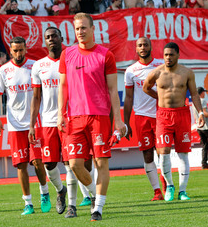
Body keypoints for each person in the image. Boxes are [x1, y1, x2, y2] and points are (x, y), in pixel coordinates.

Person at [57, 13, 127, 221]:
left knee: (100, 163)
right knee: (75, 163)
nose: (80, 32)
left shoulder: (106, 55)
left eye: (84, 28)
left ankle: (98, 208)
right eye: (77, 29)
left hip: (99, 116)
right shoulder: (66, 54)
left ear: (93, 29)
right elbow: (63, 86)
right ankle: (96, 196)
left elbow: (113, 90)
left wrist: (119, 119)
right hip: (74, 118)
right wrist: (61, 113)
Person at [0, 36, 50, 215]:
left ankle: (45, 193)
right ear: (10, 51)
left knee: (38, 162)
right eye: (15, 50)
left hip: (35, 122)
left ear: (26, 49)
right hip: (15, 125)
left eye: (21, 50)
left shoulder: (35, 66)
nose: (18, 53)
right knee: (21, 165)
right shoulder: (4, 70)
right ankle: (28, 203)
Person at [143, 42, 205, 202]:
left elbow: (194, 95)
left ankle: (182, 191)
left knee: (183, 153)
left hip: (182, 114)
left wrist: (200, 113)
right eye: (165, 55)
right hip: (163, 116)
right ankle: (169, 186)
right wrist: (159, 97)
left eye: (171, 54)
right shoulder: (157, 72)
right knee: (163, 154)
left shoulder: (187, 73)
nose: (168, 58)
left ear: (177, 55)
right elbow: (146, 87)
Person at [29, 27, 68, 216]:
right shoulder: (38, 66)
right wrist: (31, 125)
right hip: (48, 122)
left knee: (72, 162)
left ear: (61, 38)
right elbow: (36, 98)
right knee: (49, 165)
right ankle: (61, 191)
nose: (51, 39)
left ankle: (84, 200)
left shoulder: (70, 59)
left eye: (54, 36)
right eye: (47, 37)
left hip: (69, 119)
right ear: (44, 41)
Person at [123, 37, 164, 201]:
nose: (143, 47)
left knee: (163, 153)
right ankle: (157, 191)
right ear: (136, 48)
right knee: (148, 155)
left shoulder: (161, 66)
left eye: (145, 44)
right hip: (141, 117)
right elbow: (128, 98)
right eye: (140, 45)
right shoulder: (130, 71)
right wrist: (126, 123)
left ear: (151, 46)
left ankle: (168, 185)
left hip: (161, 115)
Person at [196, 87, 208, 169]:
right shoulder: (202, 101)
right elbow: (204, 113)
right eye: (204, 92)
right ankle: (204, 162)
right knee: (206, 145)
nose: (205, 94)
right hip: (206, 127)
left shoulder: (195, 102)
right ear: (202, 93)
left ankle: (204, 163)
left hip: (199, 127)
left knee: (205, 145)